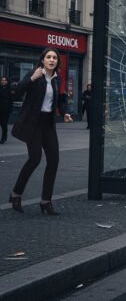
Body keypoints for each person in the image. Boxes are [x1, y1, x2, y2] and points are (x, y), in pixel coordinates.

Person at [8, 48, 73, 215]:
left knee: (54, 160)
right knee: (35, 159)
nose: (51, 60)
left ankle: (46, 201)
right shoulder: (35, 74)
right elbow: (16, 92)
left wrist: (64, 112)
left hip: (48, 124)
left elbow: (59, 100)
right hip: (33, 123)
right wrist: (31, 79)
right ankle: (16, 194)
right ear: (43, 60)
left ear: (57, 62)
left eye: (54, 58)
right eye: (48, 57)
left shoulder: (56, 79)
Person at [0, 76, 12, 143]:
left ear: (7, 82)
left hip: (5, 110)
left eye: (5, 80)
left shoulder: (9, 90)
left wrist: (10, 110)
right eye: (2, 80)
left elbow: (11, 100)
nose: (3, 81)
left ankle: (4, 138)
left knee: (4, 124)